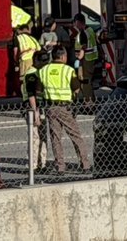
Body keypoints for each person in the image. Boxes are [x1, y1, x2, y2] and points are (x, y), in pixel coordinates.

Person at [38, 46, 91, 174]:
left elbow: (38, 90)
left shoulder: (43, 70)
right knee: (75, 135)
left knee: (55, 138)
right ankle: (85, 165)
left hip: (50, 107)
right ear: (62, 57)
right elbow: (76, 88)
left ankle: (60, 167)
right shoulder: (68, 70)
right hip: (64, 108)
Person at [71, 14, 98, 103]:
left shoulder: (83, 33)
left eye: (75, 23)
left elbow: (83, 47)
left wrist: (78, 58)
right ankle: (91, 101)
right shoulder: (90, 30)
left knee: (85, 82)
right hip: (90, 59)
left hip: (85, 61)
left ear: (78, 22)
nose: (75, 25)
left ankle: (89, 103)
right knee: (88, 81)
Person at [12, 22, 41, 98]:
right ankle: (35, 96)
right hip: (35, 61)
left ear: (20, 30)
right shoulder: (33, 39)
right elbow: (39, 50)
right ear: (28, 30)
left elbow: (15, 52)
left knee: (23, 80)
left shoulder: (18, 38)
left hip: (25, 61)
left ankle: (26, 97)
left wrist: (16, 62)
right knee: (34, 79)